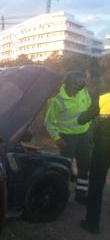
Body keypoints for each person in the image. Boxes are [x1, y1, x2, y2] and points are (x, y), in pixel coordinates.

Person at [44, 71, 93, 204]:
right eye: (78, 83)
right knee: (64, 166)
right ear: (69, 83)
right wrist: (56, 138)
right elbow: (49, 122)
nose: (80, 87)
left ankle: (81, 194)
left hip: (84, 135)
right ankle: (59, 194)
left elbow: (89, 109)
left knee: (84, 166)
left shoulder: (83, 92)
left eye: (82, 83)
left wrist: (89, 128)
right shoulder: (57, 100)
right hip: (67, 138)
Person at [78, 92, 110, 234]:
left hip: (103, 148)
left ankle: (92, 223)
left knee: (96, 183)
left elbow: (82, 119)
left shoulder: (104, 99)